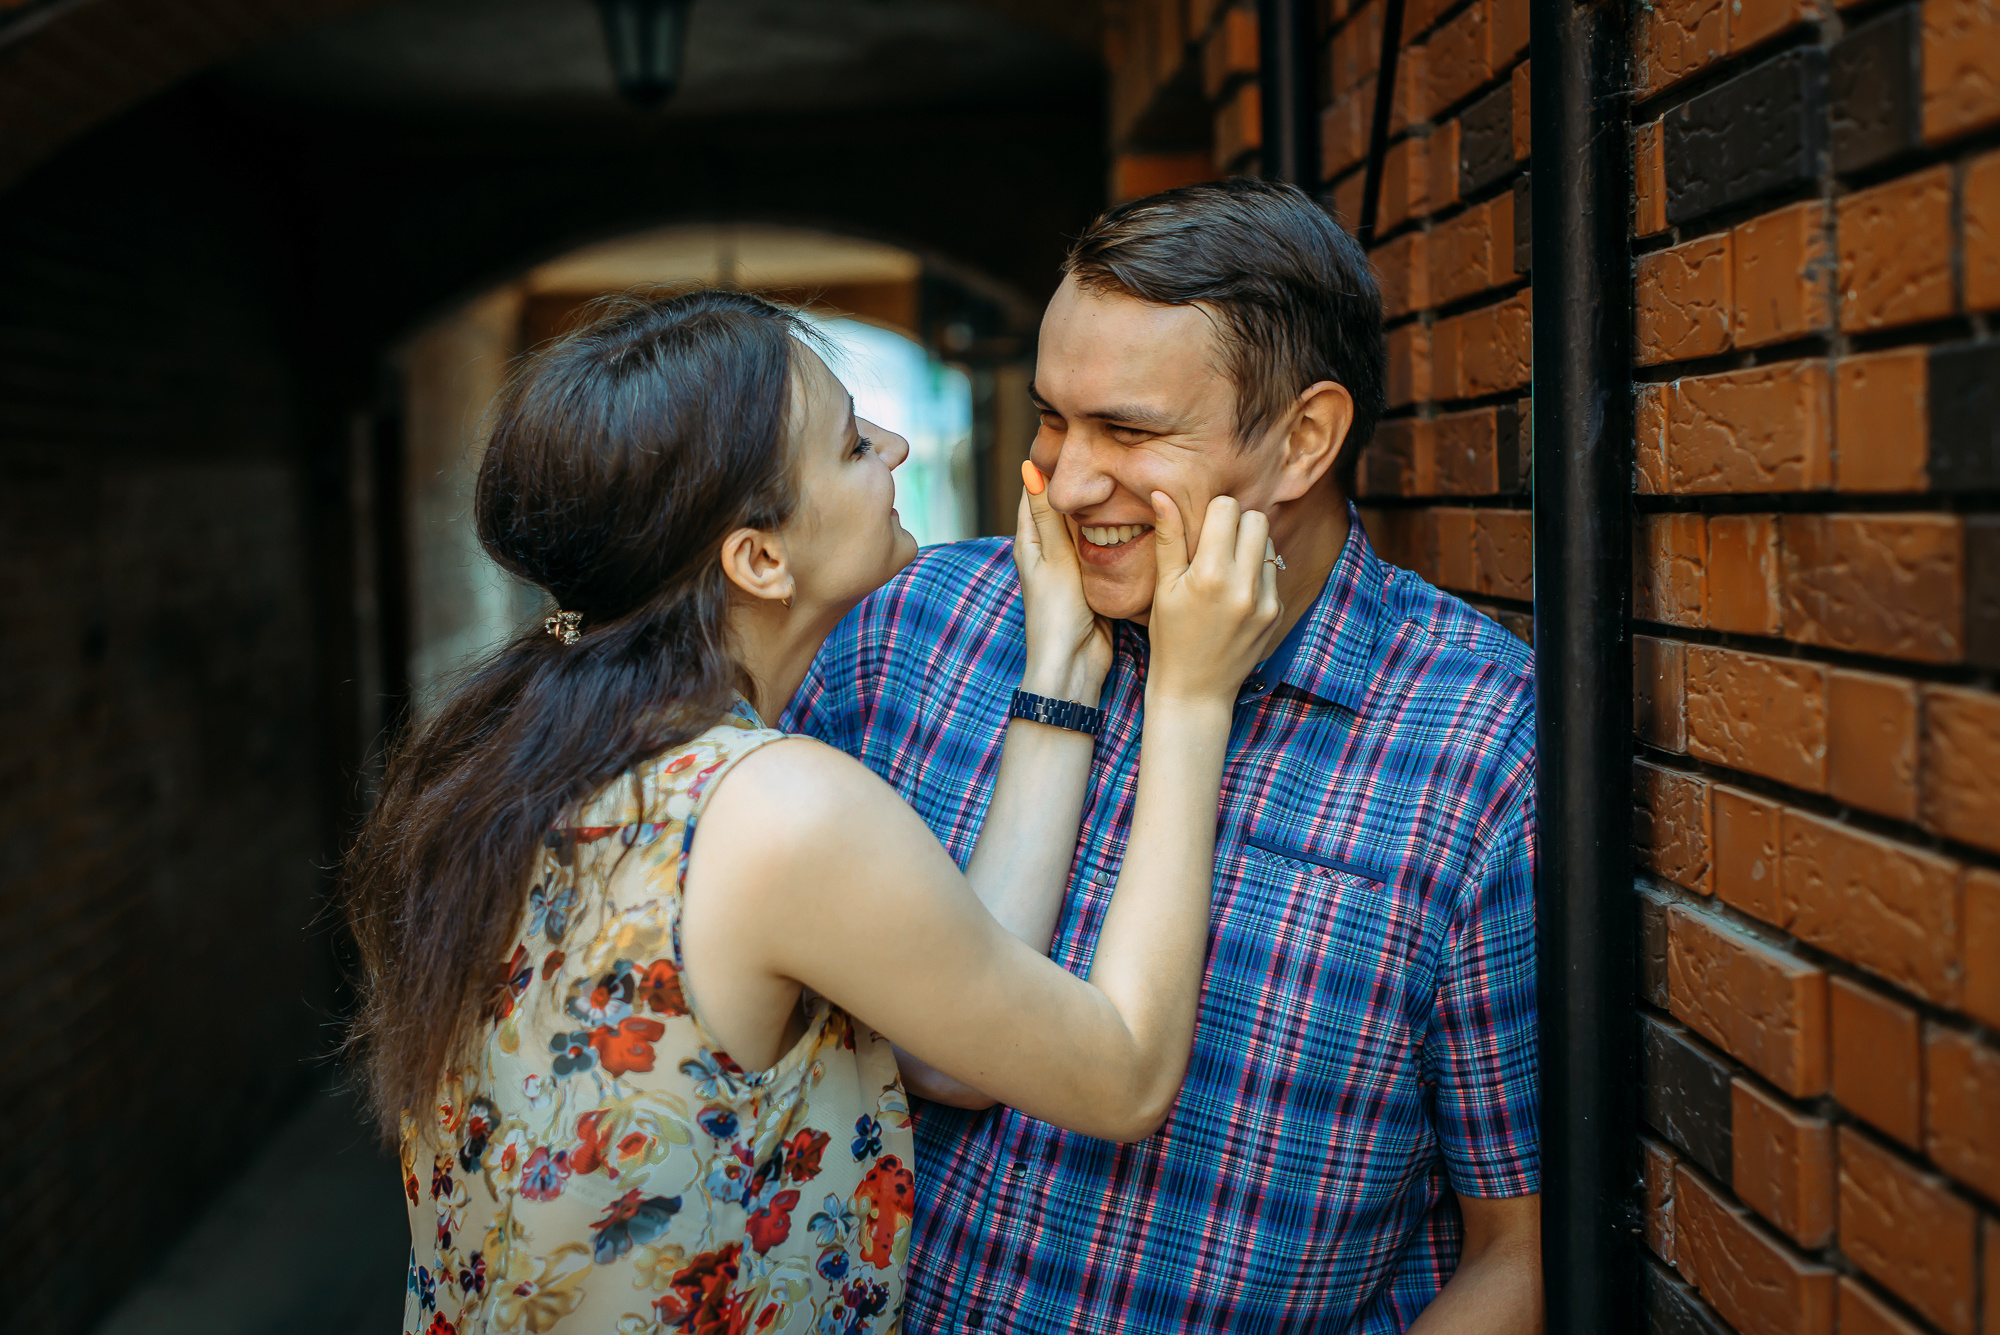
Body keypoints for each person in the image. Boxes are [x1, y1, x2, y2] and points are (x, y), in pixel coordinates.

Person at [339, 288, 1282, 1335]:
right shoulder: (774, 808)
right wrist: (1192, 695)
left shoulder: (515, 761)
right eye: (851, 446)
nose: (894, 446)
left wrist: (1057, 671)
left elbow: (956, 1048)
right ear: (757, 558)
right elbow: (1123, 1077)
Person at [783, 178, 1543, 1333]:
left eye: (1129, 431)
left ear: (1302, 441)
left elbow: (1518, 1251)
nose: (1069, 481)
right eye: (1053, 418)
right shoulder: (915, 629)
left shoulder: (1475, 744)